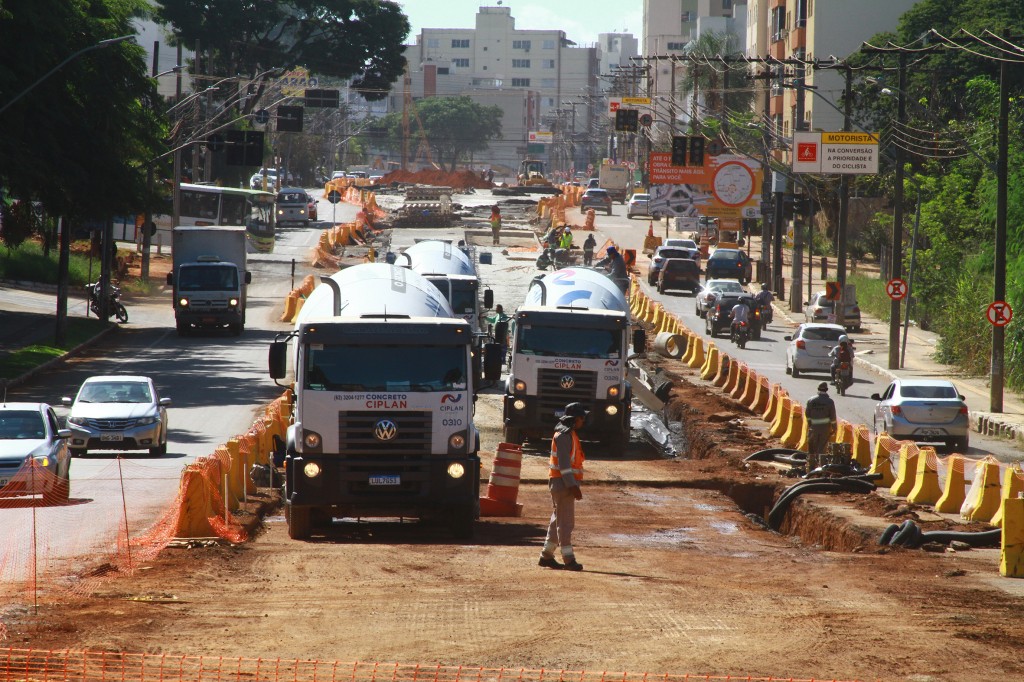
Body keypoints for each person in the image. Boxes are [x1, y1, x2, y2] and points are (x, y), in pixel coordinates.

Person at [539, 402, 588, 571]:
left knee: (557, 520)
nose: (584, 421)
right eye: (582, 417)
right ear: (575, 419)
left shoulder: (568, 434)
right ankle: (569, 559)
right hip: (564, 485)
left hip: (561, 484)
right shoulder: (564, 436)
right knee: (565, 523)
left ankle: (546, 555)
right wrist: (573, 486)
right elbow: (565, 466)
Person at [804, 382, 838, 471]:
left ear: (818, 389)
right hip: (825, 428)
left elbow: (807, 414)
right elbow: (833, 417)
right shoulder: (830, 402)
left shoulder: (811, 400)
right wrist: (834, 428)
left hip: (813, 428)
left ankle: (810, 467)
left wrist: (810, 424)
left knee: (812, 446)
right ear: (826, 390)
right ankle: (820, 467)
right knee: (822, 447)